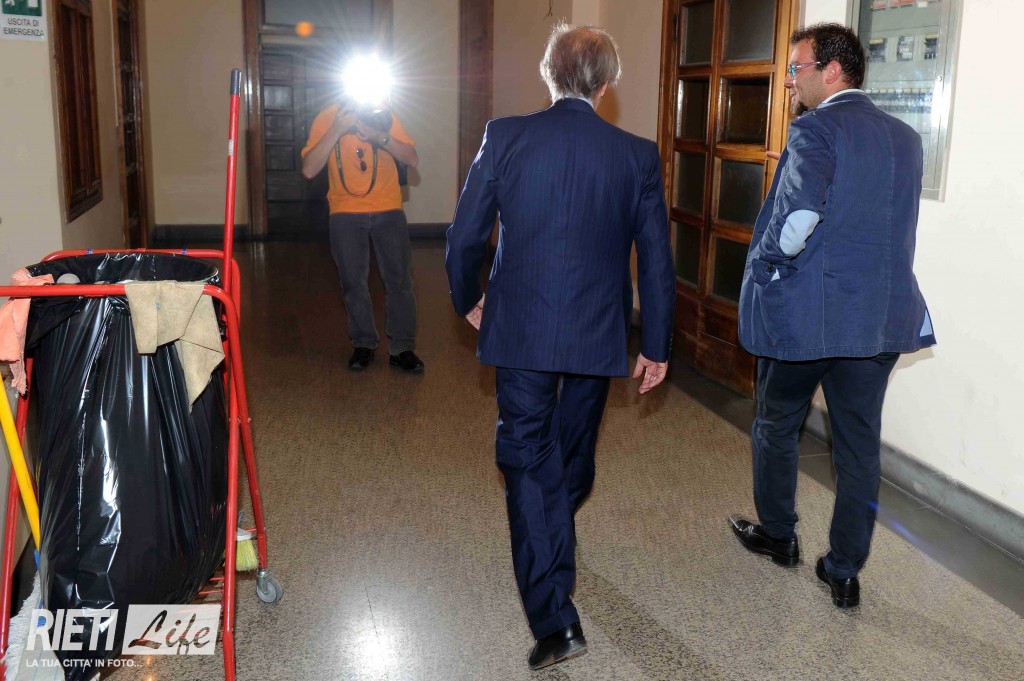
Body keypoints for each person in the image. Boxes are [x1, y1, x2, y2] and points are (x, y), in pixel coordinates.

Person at [446, 24, 675, 670]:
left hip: (521, 329)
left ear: (550, 74)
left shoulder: (505, 137)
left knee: (531, 458)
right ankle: (554, 602)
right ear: (607, 85)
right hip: (598, 335)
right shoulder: (636, 156)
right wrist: (657, 342)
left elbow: (464, 237)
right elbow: (656, 259)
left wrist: (468, 298)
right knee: (566, 453)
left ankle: (550, 583)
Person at [729, 23, 936, 609]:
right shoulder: (906, 139)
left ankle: (779, 536)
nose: (790, 81)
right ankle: (844, 571)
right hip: (878, 322)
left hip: (808, 320)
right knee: (858, 448)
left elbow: (797, 220)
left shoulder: (815, 130)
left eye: (797, 69)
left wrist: (765, 268)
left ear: (833, 71)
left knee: (776, 424)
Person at [301, 92, 424, 372]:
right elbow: (309, 170)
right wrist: (336, 129)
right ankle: (363, 343)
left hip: (388, 208)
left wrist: (380, 136)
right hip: (344, 211)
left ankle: (403, 347)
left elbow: (412, 158)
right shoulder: (327, 117)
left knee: (399, 280)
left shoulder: (384, 113)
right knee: (352, 281)